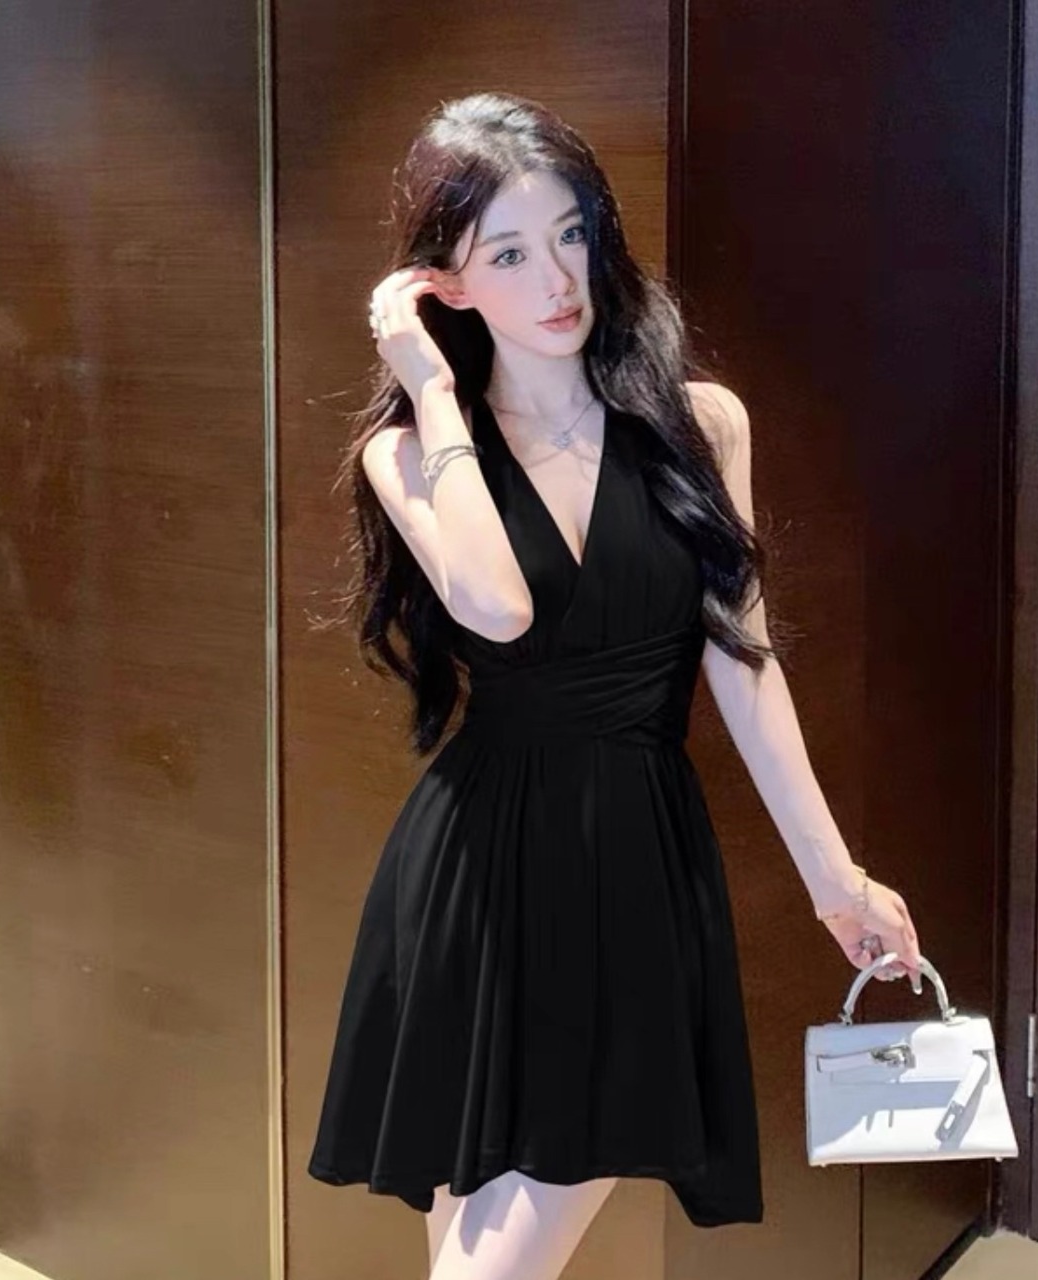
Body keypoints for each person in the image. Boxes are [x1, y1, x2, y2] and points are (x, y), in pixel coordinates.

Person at [306, 91, 923, 1279]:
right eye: (507, 253)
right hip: (476, 875)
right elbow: (496, 605)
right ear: (444, 285)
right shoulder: (413, 449)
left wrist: (833, 880)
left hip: (632, 867)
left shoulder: (700, 424)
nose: (556, 279)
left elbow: (743, 663)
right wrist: (431, 391)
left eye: (572, 232)